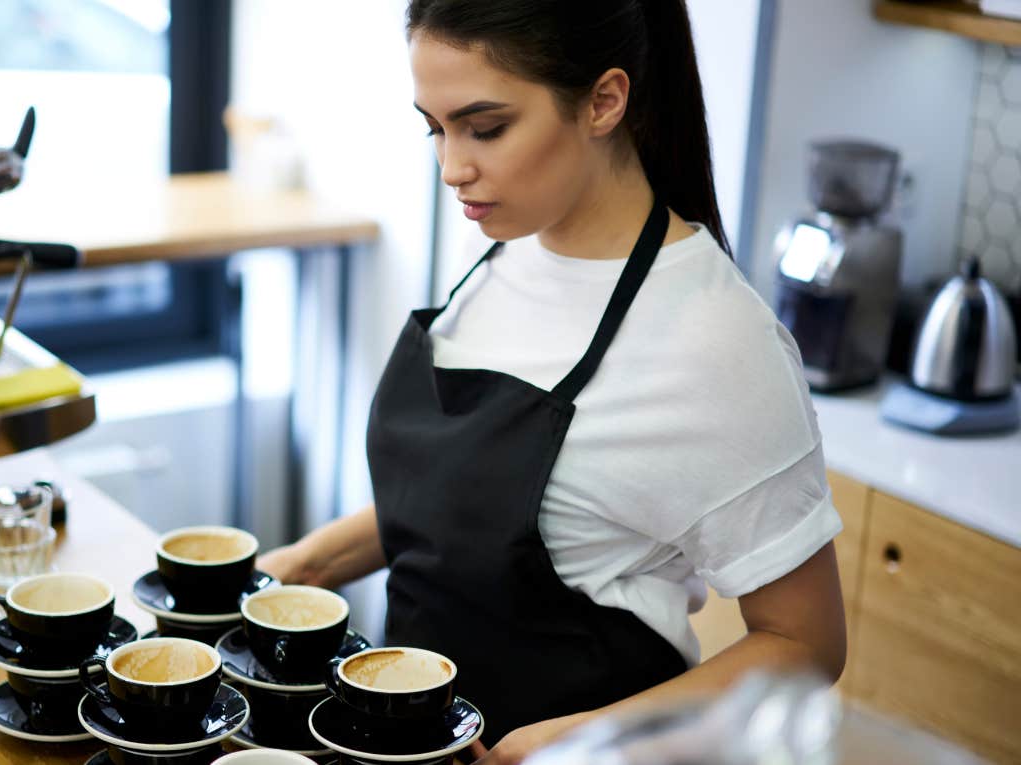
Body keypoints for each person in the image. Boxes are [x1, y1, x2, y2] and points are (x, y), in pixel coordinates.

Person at [257, 2, 847, 763]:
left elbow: (805, 643)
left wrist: (567, 741)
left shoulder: (718, 343)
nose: (451, 168)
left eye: (486, 127)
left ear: (604, 100)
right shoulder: (507, 251)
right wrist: (301, 565)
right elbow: (471, 495)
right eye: (434, 127)